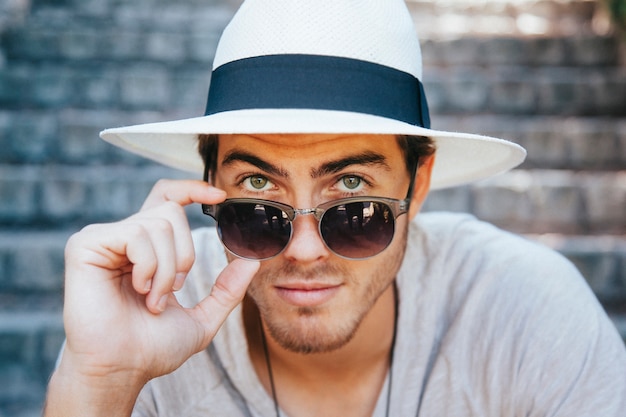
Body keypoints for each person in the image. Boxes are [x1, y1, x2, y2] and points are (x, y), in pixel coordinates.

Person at [44, 0, 626, 416]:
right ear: (208, 187)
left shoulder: (525, 314)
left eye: (352, 193)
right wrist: (101, 381)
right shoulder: (153, 307)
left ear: (417, 185)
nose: (302, 251)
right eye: (256, 191)